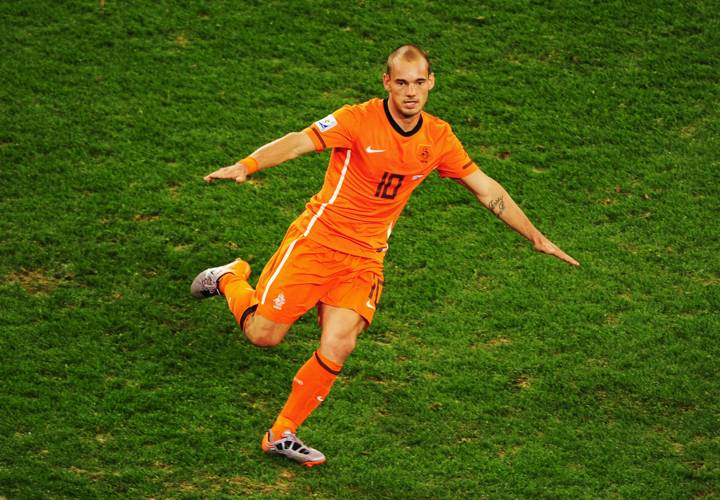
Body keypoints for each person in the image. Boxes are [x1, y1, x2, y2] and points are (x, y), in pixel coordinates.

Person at [191, 44, 579, 468]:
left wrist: (536, 237)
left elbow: (487, 189)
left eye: (418, 82)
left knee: (340, 344)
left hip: (365, 257)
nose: (410, 92)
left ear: (430, 83)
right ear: (387, 83)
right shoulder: (357, 119)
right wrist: (249, 164)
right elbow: (299, 142)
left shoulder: (439, 137)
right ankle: (229, 277)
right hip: (318, 242)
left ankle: (282, 433)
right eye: (401, 82)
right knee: (263, 335)